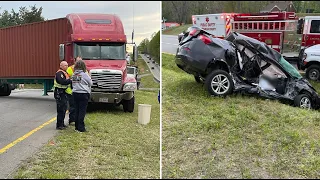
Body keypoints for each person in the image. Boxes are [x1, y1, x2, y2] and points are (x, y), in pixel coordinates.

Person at [71, 60, 92, 132]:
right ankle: (81, 127)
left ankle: (76, 126)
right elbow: (90, 83)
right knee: (82, 111)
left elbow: (73, 84)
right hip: (83, 93)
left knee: (77, 110)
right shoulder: (84, 74)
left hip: (75, 93)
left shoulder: (74, 75)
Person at [54, 61, 72, 130]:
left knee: (64, 109)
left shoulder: (65, 73)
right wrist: (70, 81)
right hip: (59, 93)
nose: (66, 67)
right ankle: (59, 125)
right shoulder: (59, 73)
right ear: (61, 66)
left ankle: (62, 123)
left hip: (63, 92)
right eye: (65, 65)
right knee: (60, 109)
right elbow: (62, 81)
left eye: (67, 65)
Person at [66, 56, 82, 125]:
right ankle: (72, 120)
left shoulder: (84, 69)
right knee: (72, 106)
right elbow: (67, 79)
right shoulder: (70, 69)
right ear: (74, 61)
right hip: (71, 90)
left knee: (79, 107)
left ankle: (77, 120)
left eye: (80, 61)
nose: (79, 63)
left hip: (80, 91)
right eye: (78, 61)